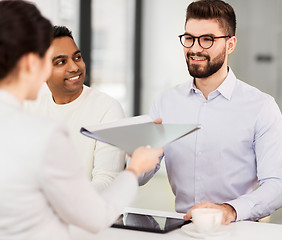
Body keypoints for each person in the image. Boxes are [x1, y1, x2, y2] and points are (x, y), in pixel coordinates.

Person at [0, 1, 163, 239]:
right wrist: (136, 167)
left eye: (77, 57)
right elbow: (95, 215)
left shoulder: (105, 107)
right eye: (50, 61)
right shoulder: (43, 135)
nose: (72, 67)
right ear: (29, 63)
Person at [139, 0, 282, 224]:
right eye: (189, 38)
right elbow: (141, 175)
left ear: (230, 44)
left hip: (237, 230)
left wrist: (230, 210)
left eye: (207, 40)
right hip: (179, 230)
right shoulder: (165, 102)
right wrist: (133, 160)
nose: (195, 48)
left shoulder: (262, 107)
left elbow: (277, 186)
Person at [25, 26, 126, 192]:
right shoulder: (31, 107)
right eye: (61, 62)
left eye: (77, 57)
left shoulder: (108, 109)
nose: (74, 67)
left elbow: (108, 181)